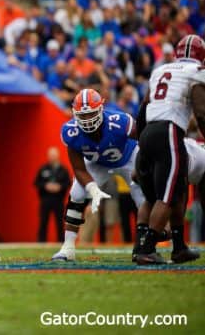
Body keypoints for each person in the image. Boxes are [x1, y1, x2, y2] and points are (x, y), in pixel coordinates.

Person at [134, 35, 205, 264]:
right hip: (170, 131)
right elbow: (201, 110)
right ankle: (147, 247)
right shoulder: (196, 71)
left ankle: (178, 246)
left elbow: (143, 108)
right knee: (168, 194)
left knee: (172, 191)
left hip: (148, 132)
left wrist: (140, 149)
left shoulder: (159, 70)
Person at [52, 88, 145, 261]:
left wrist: (143, 165)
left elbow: (144, 139)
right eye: (83, 115)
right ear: (74, 113)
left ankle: (145, 247)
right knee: (77, 193)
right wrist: (92, 188)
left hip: (128, 158)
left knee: (143, 199)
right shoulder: (71, 131)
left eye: (91, 114)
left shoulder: (120, 122)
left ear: (101, 109)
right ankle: (68, 247)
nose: (87, 120)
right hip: (97, 163)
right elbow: (79, 169)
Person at [34, 147, 70, 242]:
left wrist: (60, 186)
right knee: (43, 221)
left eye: (54, 155)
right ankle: (41, 242)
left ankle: (61, 242)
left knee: (59, 222)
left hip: (58, 200)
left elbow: (68, 183)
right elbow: (36, 183)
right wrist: (46, 185)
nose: (52, 157)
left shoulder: (63, 170)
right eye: (50, 155)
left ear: (57, 156)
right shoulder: (43, 169)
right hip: (45, 200)